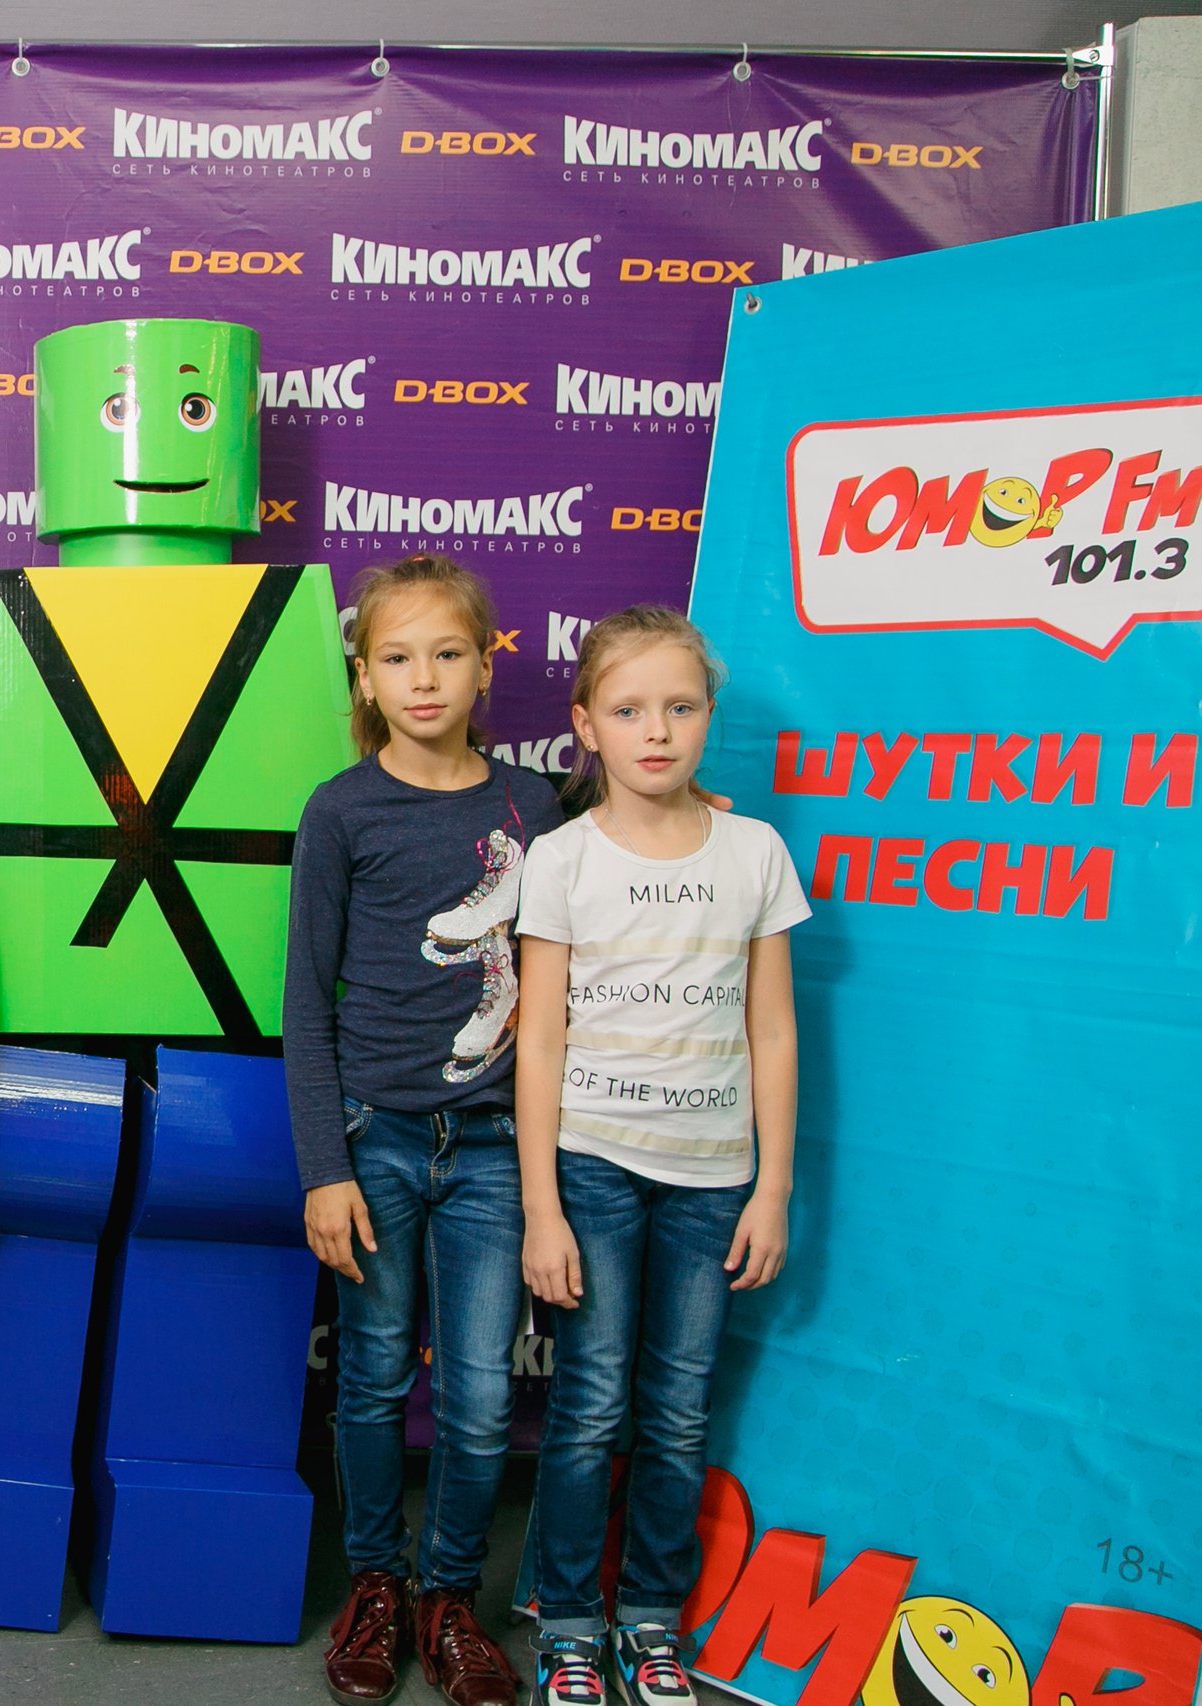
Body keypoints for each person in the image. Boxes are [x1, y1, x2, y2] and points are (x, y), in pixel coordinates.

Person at [512, 605, 805, 1706]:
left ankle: (648, 1618)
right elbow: (540, 1038)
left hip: (713, 1177)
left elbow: (772, 1028)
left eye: (680, 708)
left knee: (678, 1411)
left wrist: (772, 1186)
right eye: (630, 710)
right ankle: (567, 1623)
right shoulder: (561, 858)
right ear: (586, 725)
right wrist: (542, 1207)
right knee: (590, 1404)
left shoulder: (754, 850)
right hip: (591, 1165)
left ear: (708, 717)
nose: (657, 731)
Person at [282, 553, 561, 1706]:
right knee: (370, 1375)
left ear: (487, 664)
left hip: (494, 1145)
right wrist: (324, 1167)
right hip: (376, 1137)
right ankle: (377, 1584)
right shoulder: (342, 809)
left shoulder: (535, 804)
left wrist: (697, 814)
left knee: (483, 1396)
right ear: (364, 674)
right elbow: (306, 1001)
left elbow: (629, 846)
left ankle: (448, 1596)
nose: (424, 676)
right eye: (397, 657)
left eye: (448, 652)